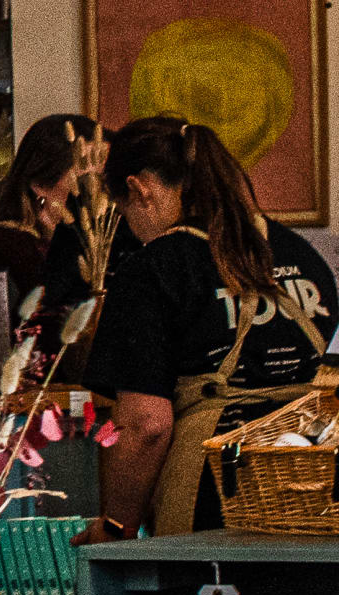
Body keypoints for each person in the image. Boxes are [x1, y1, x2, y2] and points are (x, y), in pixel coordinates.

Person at [86, 114, 338, 538]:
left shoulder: (155, 268)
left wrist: (115, 526)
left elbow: (146, 425)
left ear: (138, 189)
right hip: (316, 491)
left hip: (216, 500)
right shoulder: (303, 254)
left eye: (124, 211)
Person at [0, 109, 107, 352]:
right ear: (41, 184)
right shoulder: (5, 245)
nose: (98, 186)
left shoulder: (98, 245)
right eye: (85, 174)